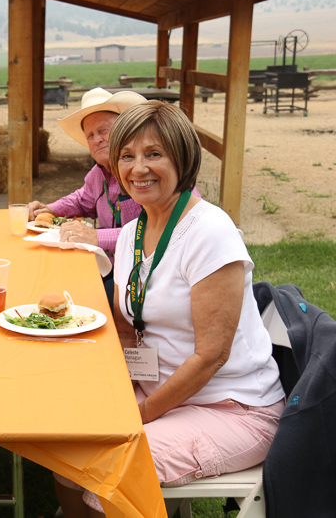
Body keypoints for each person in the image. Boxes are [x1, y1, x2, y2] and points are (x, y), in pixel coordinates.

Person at [53, 101, 285, 516]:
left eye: (153, 154)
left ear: (182, 158)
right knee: (67, 454)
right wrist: (117, 392)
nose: (138, 168)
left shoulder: (209, 232)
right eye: (127, 155)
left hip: (231, 408)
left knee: (110, 472)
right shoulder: (130, 234)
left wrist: (136, 415)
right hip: (161, 390)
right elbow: (127, 329)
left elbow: (211, 356)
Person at [27, 88, 147, 307]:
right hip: (111, 267)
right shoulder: (99, 172)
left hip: (142, 276)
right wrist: (48, 209)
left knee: (80, 300)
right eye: (90, 135)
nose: (97, 139)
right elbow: (81, 199)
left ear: (124, 132)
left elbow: (153, 230)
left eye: (103, 131)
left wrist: (96, 238)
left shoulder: (142, 173)